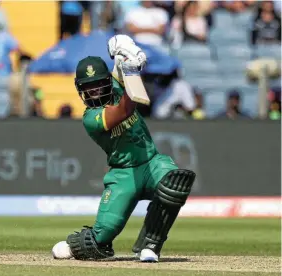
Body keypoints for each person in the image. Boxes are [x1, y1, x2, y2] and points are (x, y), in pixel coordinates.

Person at [63, 35, 196, 262]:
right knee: (97, 241)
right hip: (123, 174)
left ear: (107, 80)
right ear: (81, 91)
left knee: (173, 183)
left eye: (98, 85)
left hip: (150, 161)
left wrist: (126, 53)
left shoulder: (116, 84)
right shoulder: (90, 118)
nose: (95, 92)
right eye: (89, 88)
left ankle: (150, 245)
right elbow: (124, 110)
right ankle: (72, 247)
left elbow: (126, 67)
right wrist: (131, 71)